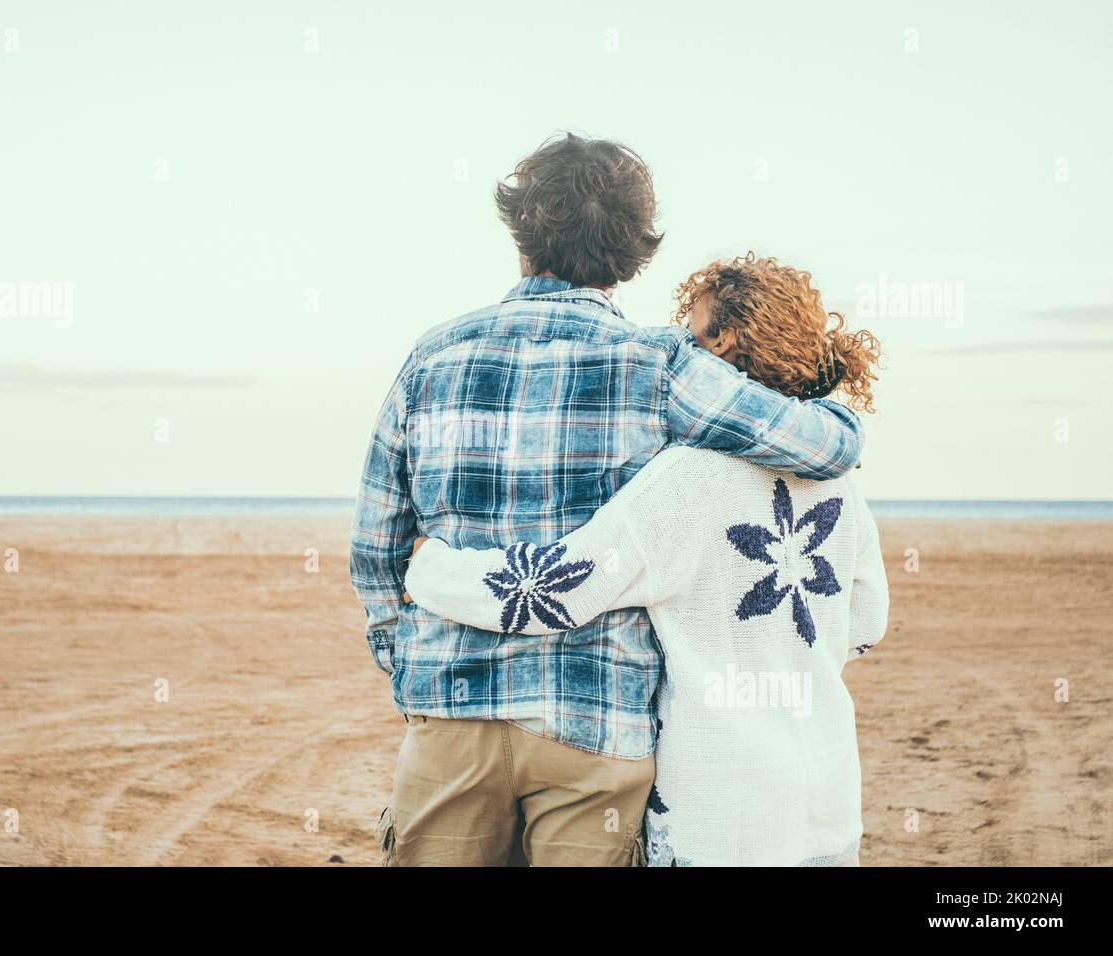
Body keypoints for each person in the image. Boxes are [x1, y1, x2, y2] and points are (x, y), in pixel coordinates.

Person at [349, 135, 865, 867]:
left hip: (451, 710)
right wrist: (839, 407)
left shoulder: (432, 356)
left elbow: (376, 549)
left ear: (521, 234)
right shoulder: (662, 365)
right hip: (597, 727)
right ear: (634, 254)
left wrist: (410, 669)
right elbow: (828, 448)